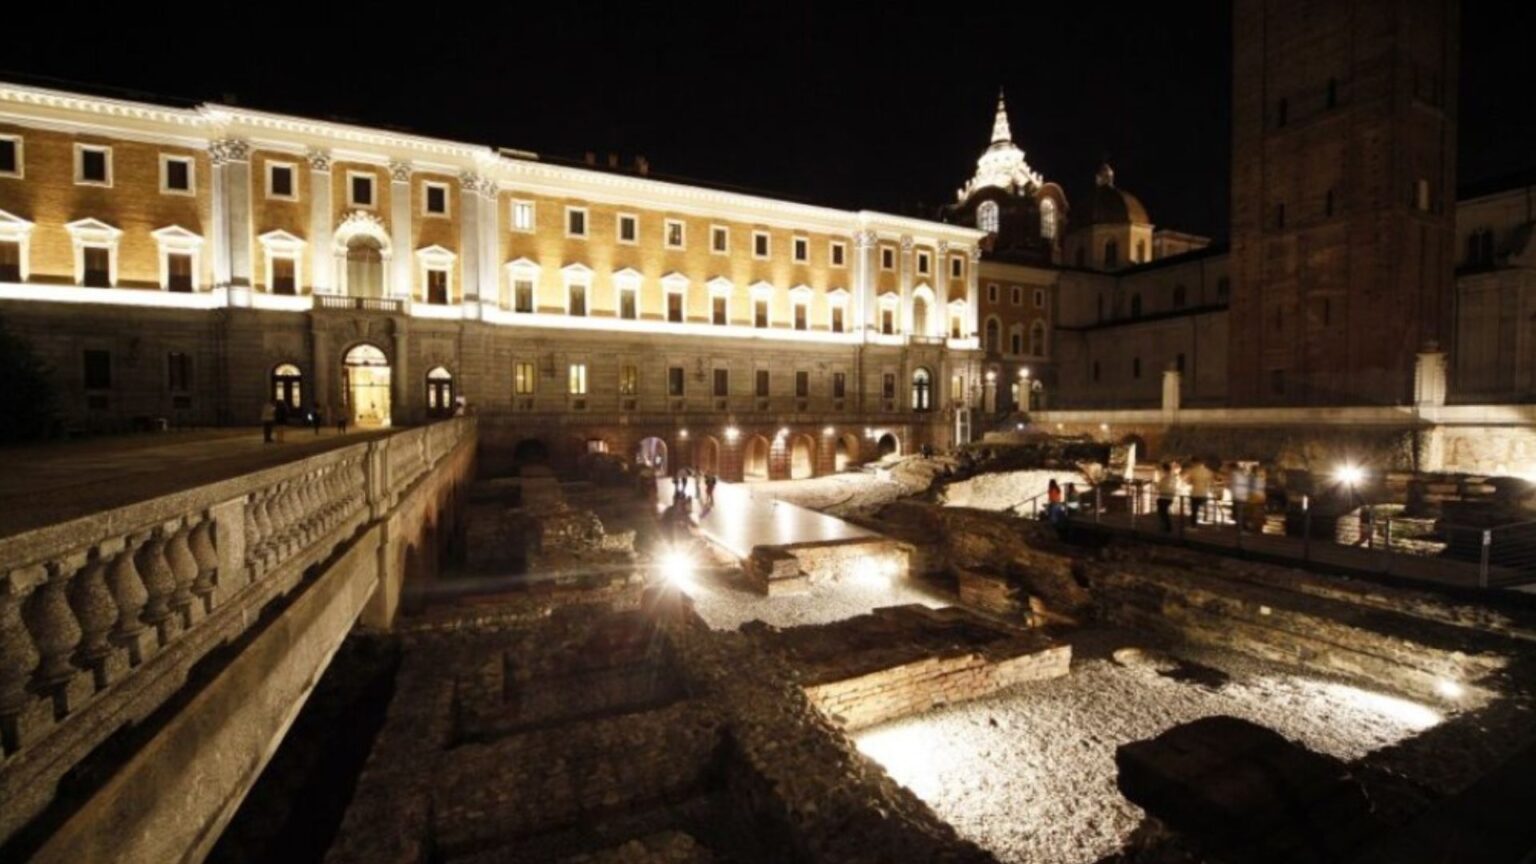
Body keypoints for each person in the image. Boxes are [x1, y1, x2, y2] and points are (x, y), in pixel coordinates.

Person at [1185, 459, 1214, 526]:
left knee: (1194, 510)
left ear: (1195, 463)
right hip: (1204, 493)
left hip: (1195, 493)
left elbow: (1189, 482)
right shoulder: (1208, 471)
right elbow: (1211, 482)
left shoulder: (1193, 471)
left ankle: (1194, 526)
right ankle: (1206, 520)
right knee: (1204, 507)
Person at [1155, 461, 1180, 533]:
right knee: (1164, 512)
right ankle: (1166, 527)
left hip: (1163, 496)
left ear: (1164, 469)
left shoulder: (1164, 478)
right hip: (1170, 497)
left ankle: (1167, 527)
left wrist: (1157, 484)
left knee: (1162, 512)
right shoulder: (1173, 477)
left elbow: (1159, 487)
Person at [1229, 462, 1253, 528]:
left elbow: (1232, 485)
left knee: (1239, 512)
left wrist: (1232, 493)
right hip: (1244, 495)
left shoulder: (1234, 474)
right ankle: (1241, 526)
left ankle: (1240, 527)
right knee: (1242, 511)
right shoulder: (1244, 475)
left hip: (1238, 496)